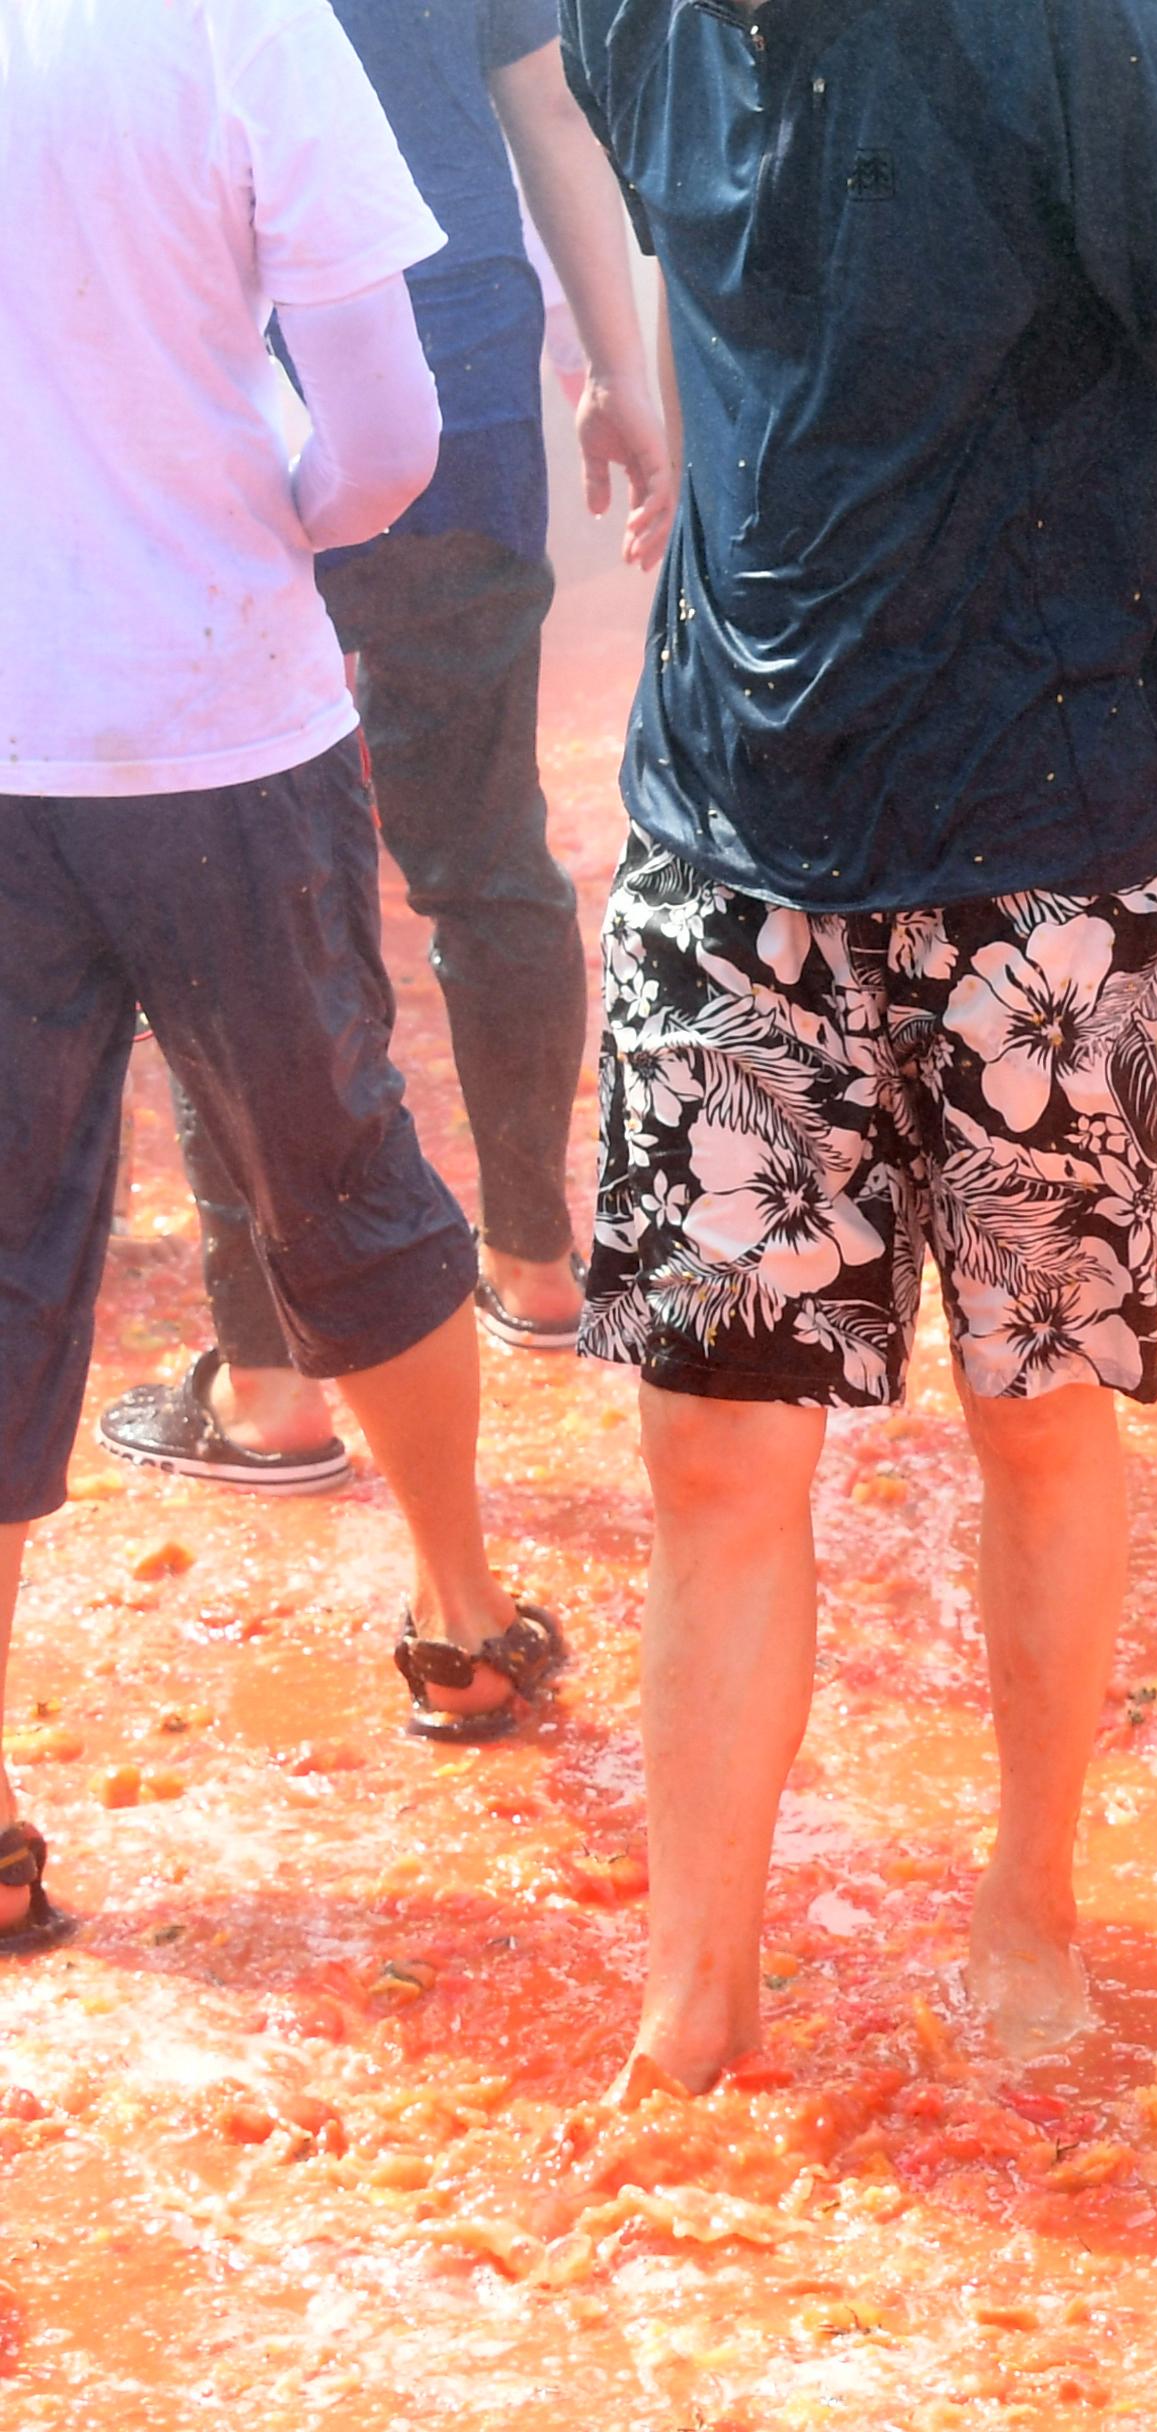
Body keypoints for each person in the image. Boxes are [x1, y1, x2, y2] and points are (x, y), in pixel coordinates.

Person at [556, 0, 1157, 2094]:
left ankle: (1030, 1896)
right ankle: (695, 1992)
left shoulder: (1084, 37)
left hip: (1041, 848)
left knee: (1037, 1406)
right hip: (726, 837)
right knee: (713, 1447)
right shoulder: (631, 16)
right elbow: (706, 293)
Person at [4, 0, 590, 1948]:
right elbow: (395, 436)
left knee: (7, 1245)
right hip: (218, 725)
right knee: (337, 1164)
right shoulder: (248, 25)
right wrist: (260, 527)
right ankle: (460, 1615)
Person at [91, 0, 676, 1498]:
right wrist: (622, 371)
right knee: (487, 849)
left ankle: (273, 1377)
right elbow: (552, 117)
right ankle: (540, 1262)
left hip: (243, 396)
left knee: (233, 872)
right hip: (462, 373)